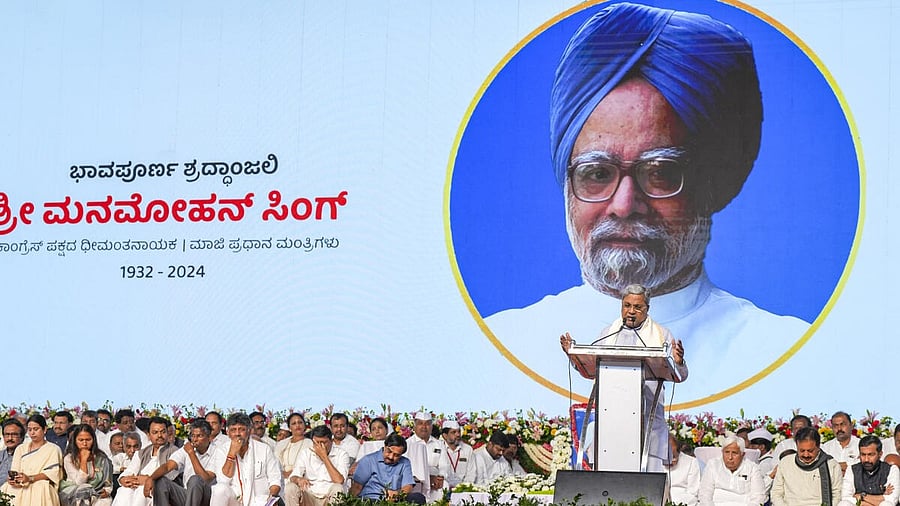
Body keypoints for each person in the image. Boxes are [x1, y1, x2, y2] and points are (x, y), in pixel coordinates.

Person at [484, 1, 809, 403]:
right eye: (597, 174)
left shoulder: (783, 352)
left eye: (660, 173)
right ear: (567, 185)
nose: (624, 205)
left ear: (713, 185)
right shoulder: (503, 345)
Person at [560, 283, 687, 471]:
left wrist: (678, 362)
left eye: (637, 307)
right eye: (627, 305)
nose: (631, 311)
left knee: (647, 482)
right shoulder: (608, 333)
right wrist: (574, 356)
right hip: (611, 422)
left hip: (647, 422)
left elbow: (680, 375)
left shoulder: (661, 335)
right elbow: (591, 369)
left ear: (647, 309)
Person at [144, 419, 222, 506]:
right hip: (187, 495)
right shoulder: (186, 449)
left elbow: (205, 478)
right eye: (193, 436)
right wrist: (151, 478)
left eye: (199, 436)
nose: (195, 439)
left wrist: (191, 454)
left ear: (209, 437)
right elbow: (168, 466)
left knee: (195, 479)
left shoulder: (217, 451)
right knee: (160, 480)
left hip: (207, 497)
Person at [209, 413, 281, 506]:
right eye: (233, 430)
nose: (237, 434)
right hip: (234, 500)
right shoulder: (222, 450)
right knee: (219, 489)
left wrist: (272, 498)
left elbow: (275, 479)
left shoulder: (264, 449)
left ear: (249, 431)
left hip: (259, 501)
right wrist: (231, 454)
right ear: (228, 433)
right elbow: (223, 480)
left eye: (241, 429)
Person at [113, 417, 179, 506]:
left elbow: (171, 475)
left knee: (143, 490)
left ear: (167, 433)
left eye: (163, 432)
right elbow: (130, 470)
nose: (159, 435)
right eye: (155, 432)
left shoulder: (175, 451)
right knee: (124, 490)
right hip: (138, 483)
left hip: (159, 488)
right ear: (148, 435)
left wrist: (149, 479)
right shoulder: (142, 453)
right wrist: (123, 479)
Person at [1, 414, 64, 506]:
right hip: (21, 483)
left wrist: (30, 478)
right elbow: (15, 470)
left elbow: (52, 473)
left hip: (40, 484)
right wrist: (13, 480)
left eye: (36, 429)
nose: (32, 433)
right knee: (7, 487)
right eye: (30, 429)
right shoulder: (21, 448)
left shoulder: (53, 449)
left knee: (40, 487)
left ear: (44, 429)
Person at [771, 427, 842, 506]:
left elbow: (837, 495)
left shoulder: (832, 465)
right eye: (802, 450)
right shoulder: (785, 462)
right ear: (796, 446)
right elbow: (776, 493)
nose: (806, 455)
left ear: (818, 446)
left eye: (810, 451)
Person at [349, 434, 424, 505]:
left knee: (419, 497)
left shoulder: (405, 462)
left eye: (397, 455)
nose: (391, 457)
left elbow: (408, 486)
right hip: (372, 499)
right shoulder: (368, 460)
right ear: (384, 446)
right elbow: (357, 487)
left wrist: (396, 495)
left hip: (396, 499)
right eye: (389, 451)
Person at [283, 425, 350, 506]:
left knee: (338, 488)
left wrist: (324, 457)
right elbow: (293, 477)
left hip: (329, 496)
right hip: (310, 495)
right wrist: (298, 479)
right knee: (290, 487)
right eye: (316, 442)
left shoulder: (342, 455)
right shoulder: (306, 453)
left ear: (331, 441)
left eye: (323, 442)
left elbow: (339, 481)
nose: (319, 446)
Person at [698, 435, 766, 506]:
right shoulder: (713, 465)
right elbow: (704, 494)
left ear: (742, 454)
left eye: (734, 453)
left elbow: (758, 496)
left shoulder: (752, 468)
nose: (730, 457)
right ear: (722, 452)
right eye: (727, 452)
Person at [59, 425, 113, 506]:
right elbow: (80, 482)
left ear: (93, 440)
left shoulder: (101, 458)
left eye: (88, 440)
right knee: (84, 491)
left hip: (97, 492)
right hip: (73, 492)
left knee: (104, 501)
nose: (84, 443)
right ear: (75, 441)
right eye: (81, 440)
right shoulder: (69, 458)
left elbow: (108, 481)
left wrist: (107, 491)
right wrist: (84, 460)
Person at [837, 435, 899, 506]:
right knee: (844, 503)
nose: (866, 460)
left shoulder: (891, 469)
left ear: (880, 454)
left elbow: (892, 500)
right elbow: (846, 498)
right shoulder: (852, 469)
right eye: (863, 455)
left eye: (871, 455)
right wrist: (880, 497)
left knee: (887, 504)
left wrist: (862, 496)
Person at [405, 412, 447, 502]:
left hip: (435, 482)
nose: (424, 427)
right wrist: (427, 478)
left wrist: (440, 477)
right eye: (420, 423)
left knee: (444, 485)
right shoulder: (407, 444)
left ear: (431, 427)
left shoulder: (439, 444)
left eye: (427, 424)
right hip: (416, 481)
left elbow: (444, 465)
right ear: (414, 426)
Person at [438, 421, 476, 489]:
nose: (458, 435)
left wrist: (463, 487)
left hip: (463, 489)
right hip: (443, 488)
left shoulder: (468, 449)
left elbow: (471, 473)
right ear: (445, 435)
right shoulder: (438, 448)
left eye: (459, 431)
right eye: (453, 432)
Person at [274, 414, 312, 479]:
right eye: (294, 423)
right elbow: (275, 462)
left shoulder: (310, 443)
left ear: (304, 425)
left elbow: (311, 464)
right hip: (281, 477)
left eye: (300, 422)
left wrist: (294, 473)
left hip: (301, 478)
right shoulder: (282, 444)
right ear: (289, 428)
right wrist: (282, 473)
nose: (297, 425)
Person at [665, 435, 699, 506]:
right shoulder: (655, 463)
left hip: (685, 502)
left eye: (674, 455)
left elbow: (693, 492)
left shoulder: (691, 462)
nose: (673, 459)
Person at [747, 427, 776, 495]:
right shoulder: (762, 461)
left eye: (752, 446)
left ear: (762, 447)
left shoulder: (765, 463)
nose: (750, 448)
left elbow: (762, 486)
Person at [0, 420, 26, 486]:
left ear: (22, 437)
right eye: (7, 434)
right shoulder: (1, 455)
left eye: (14, 434)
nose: (10, 438)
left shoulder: (27, 457)